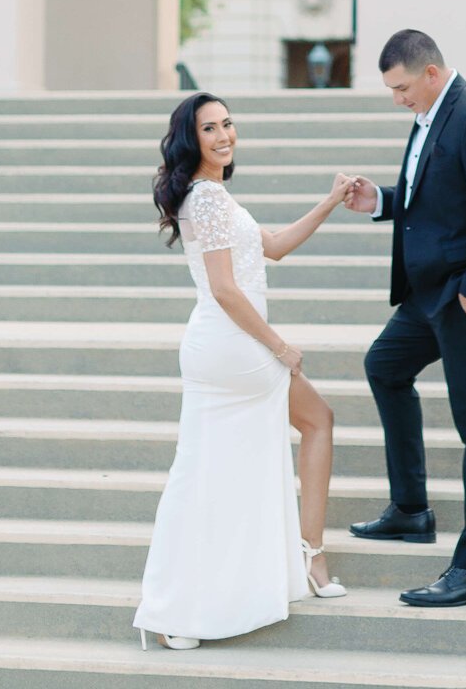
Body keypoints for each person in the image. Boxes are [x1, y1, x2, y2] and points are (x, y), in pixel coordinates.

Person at [134, 92, 353, 650]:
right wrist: (280, 347)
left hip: (224, 348)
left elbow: (274, 246)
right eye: (210, 128)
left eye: (228, 124)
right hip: (235, 347)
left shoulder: (213, 197)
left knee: (206, 476)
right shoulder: (206, 200)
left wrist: (329, 202)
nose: (224, 135)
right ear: (192, 140)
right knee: (316, 424)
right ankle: (308, 558)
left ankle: (192, 604)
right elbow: (227, 290)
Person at [344, 29, 466, 609]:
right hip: (428, 294)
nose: (397, 99)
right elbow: (433, 199)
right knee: (384, 367)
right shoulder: (432, 110)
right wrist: (380, 201)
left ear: (430, 72)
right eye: (391, 90)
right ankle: (411, 510)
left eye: (402, 87)